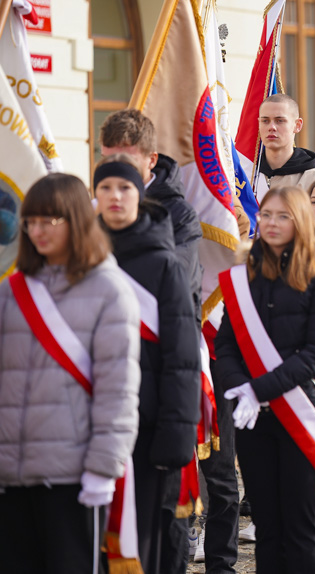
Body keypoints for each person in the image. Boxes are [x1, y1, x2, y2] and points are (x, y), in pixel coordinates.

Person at [0, 173, 141, 573]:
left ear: (76, 220)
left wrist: (102, 469)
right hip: (11, 475)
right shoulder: (11, 291)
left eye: (50, 221)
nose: (37, 231)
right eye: (31, 221)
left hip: (74, 477)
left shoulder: (109, 290)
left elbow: (118, 391)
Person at [213, 186, 315, 573]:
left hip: (302, 412)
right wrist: (239, 387)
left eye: (283, 216)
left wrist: (258, 389)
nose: (272, 223)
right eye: (267, 215)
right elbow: (225, 345)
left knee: (301, 525)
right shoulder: (244, 276)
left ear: (301, 221)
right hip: (255, 420)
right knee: (266, 527)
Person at [93, 155, 201, 574]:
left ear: (140, 194)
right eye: (106, 188)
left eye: (125, 188)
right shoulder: (82, 261)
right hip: (94, 427)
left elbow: (182, 358)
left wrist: (177, 435)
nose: (116, 197)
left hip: (151, 428)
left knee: (146, 544)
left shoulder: (165, 263)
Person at [99, 109, 204, 322]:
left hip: (161, 331)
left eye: (127, 161)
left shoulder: (180, 215)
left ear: (152, 160)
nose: (116, 170)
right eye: (108, 161)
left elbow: (176, 278)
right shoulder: (94, 208)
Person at [256, 94, 315, 199]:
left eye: (280, 120)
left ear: (297, 125)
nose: (271, 127)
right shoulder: (247, 172)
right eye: (265, 121)